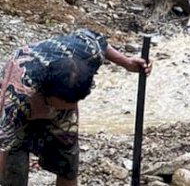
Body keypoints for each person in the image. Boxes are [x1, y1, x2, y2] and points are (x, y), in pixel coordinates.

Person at [0, 29, 152, 186]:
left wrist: (127, 62)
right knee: (14, 166)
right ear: (47, 93)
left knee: (68, 161)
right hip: (23, 104)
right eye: (58, 105)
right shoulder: (16, 97)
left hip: (52, 93)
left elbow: (100, 41)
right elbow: (2, 146)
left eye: (73, 104)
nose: (61, 110)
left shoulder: (89, 50)